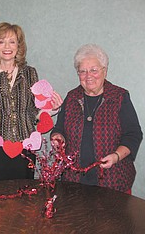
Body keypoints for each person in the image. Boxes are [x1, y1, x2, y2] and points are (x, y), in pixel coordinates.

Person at [0, 22, 63, 183]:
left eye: (12, 41)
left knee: (22, 199)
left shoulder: (30, 73)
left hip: (24, 147)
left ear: (19, 46)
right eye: (1, 41)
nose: (7, 46)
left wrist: (53, 109)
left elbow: (34, 111)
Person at [51, 43, 143, 193]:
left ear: (104, 71)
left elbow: (133, 134)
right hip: (74, 181)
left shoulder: (119, 97)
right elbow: (59, 128)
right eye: (83, 71)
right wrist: (57, 137)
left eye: (94, 70)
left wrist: (116, 156)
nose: (88, 76)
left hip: (114, 181)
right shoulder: (72, 97)